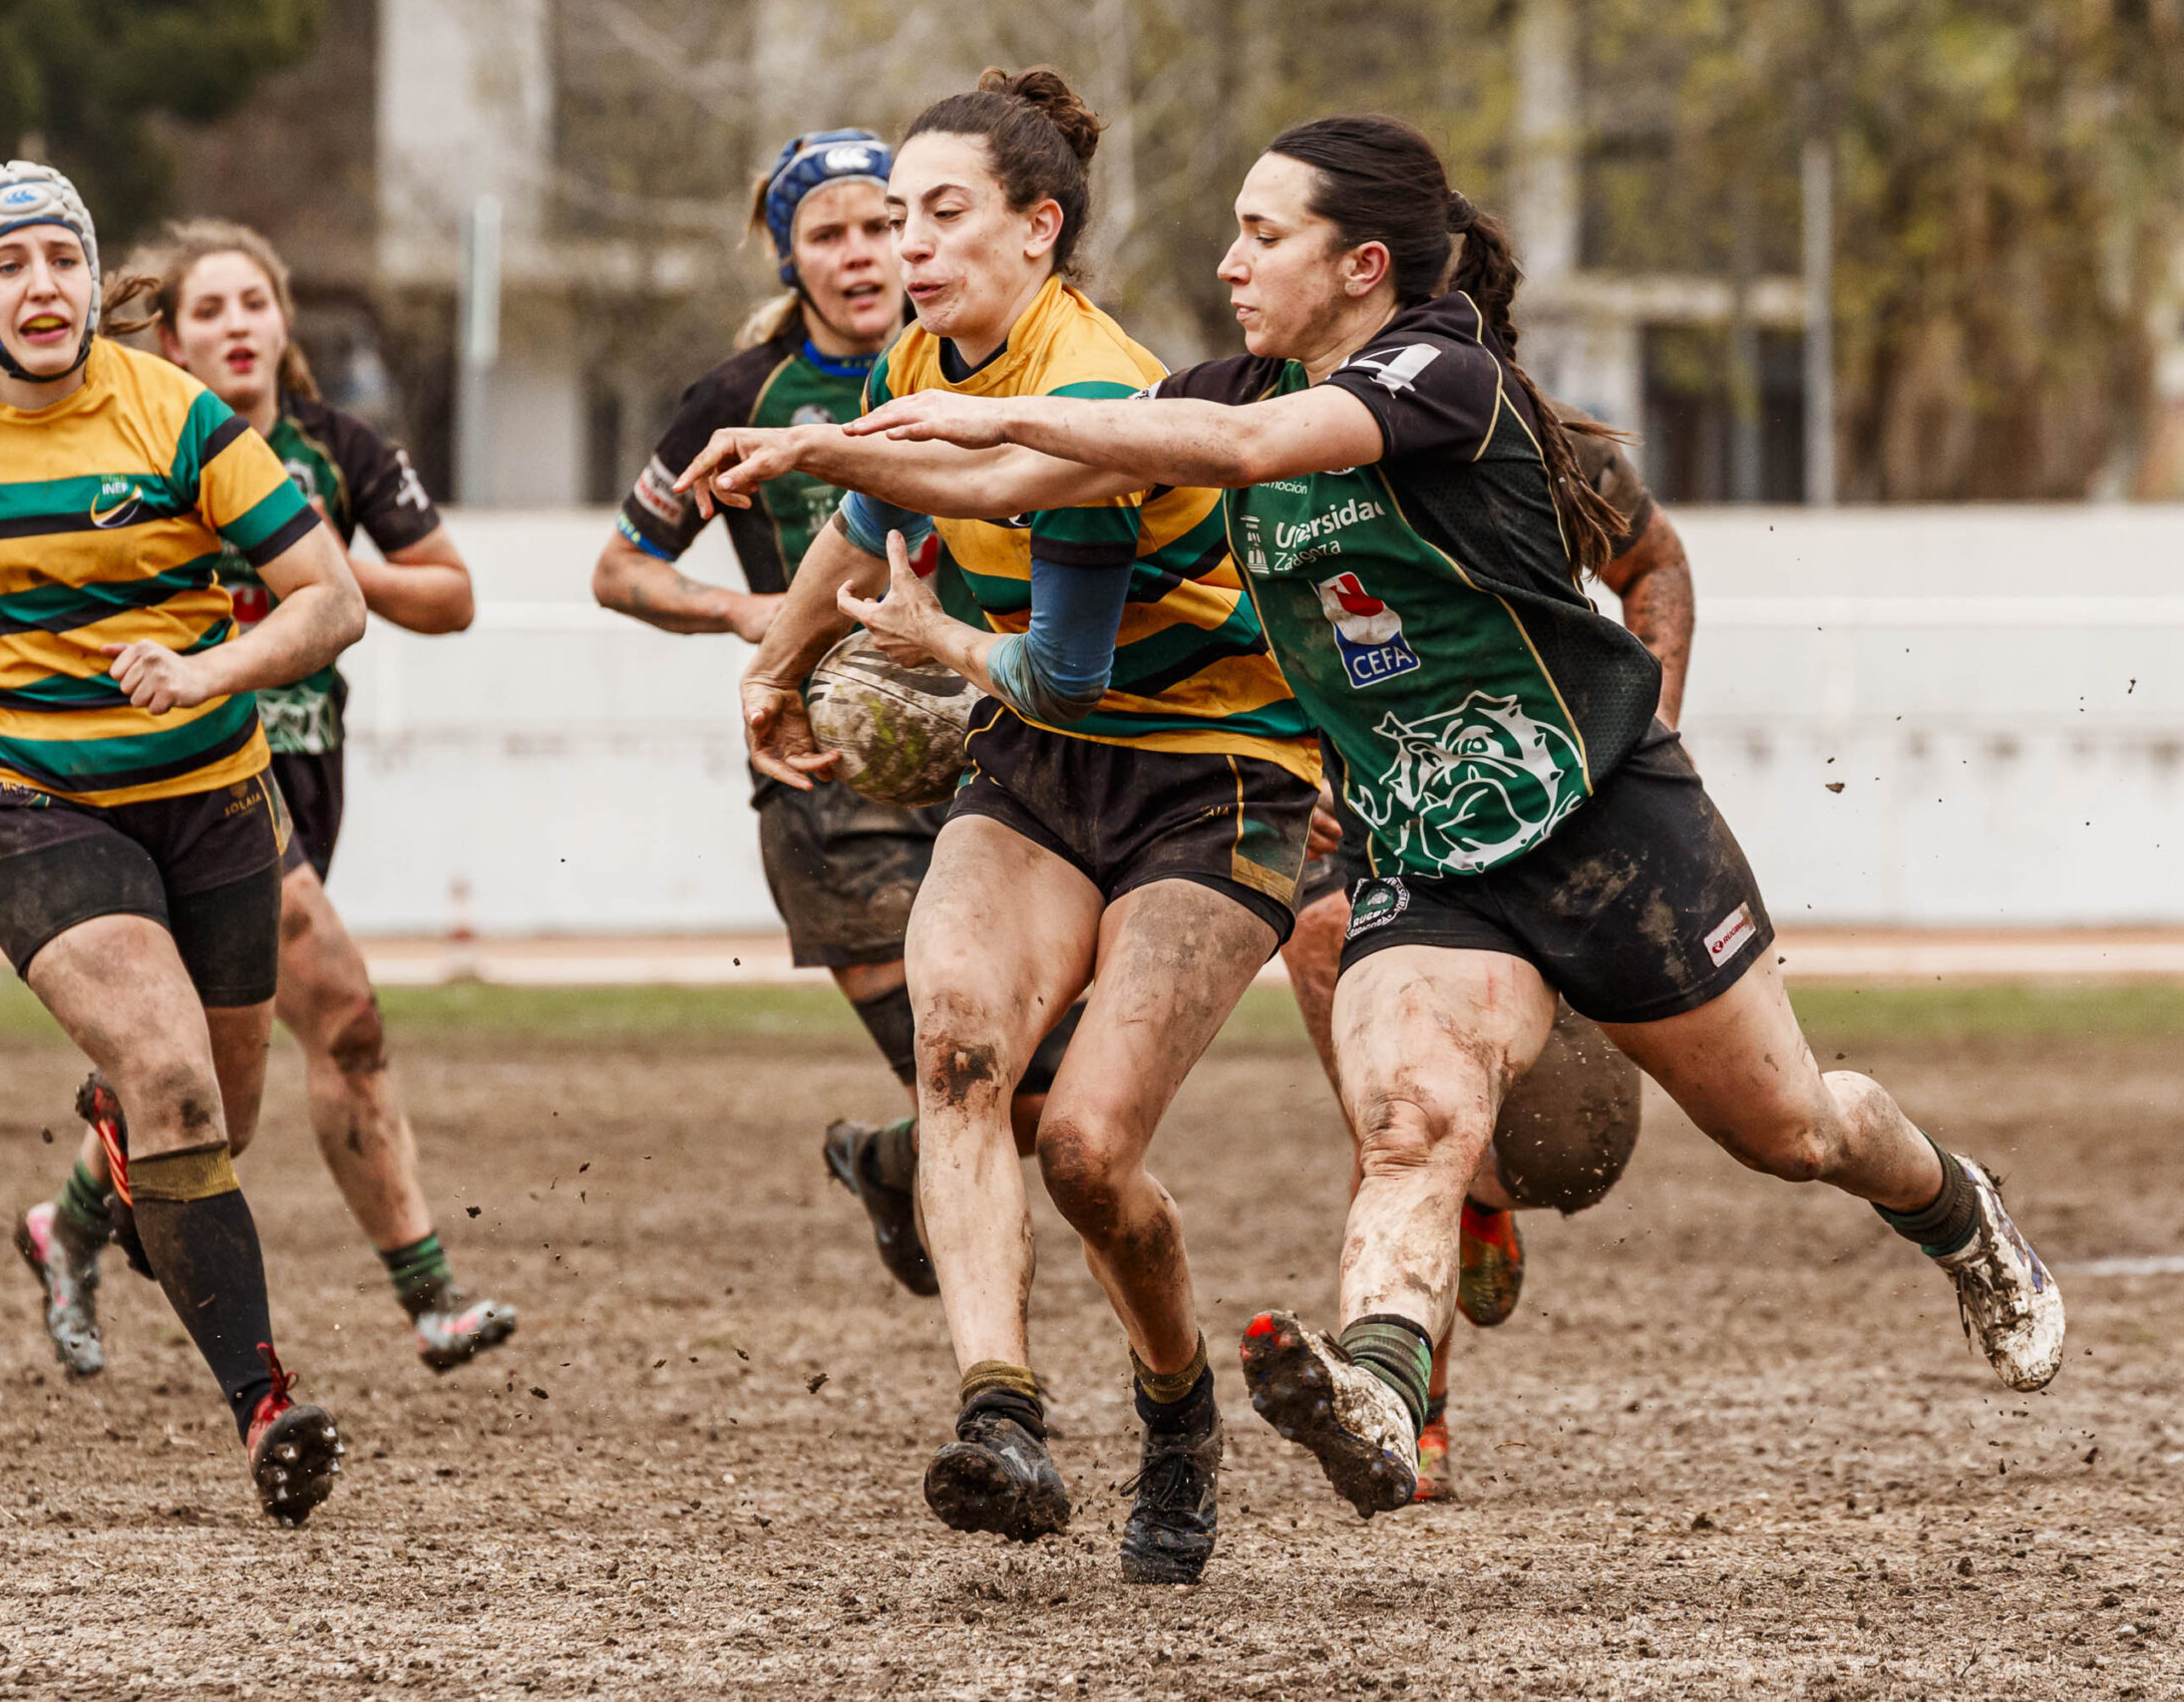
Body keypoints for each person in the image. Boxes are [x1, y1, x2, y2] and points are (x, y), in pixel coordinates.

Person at [822, 112, 2064, 1522]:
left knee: (1791, 1130)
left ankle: (1958, 1212)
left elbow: (1232, 446)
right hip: (1427, 852)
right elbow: (1019, 479)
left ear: (1361, 264)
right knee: (1416, 1116)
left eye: (1262, 234)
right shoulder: (1235, 380)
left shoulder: (1441, 374)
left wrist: (993, 405)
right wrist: (811, 453)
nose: (1229, 262)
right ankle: (1379, 1384)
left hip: (1609, 837)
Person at [678, 69, 1321, 1585]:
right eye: (896, 216)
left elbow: (1064, 663)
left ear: (1040, 230)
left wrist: (877, 550)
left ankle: (1178, 1418)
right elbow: (870, 512)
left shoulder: (1098, 384)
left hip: (1204, 770)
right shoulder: (922, 347)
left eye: (943, 213)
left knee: (1091, 1154)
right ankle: (1003, 1410)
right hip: (1039, 765)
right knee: (958, 1051)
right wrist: (774, 672)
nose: (908, 242)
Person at [0, 162, 364, 1524]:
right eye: (8, 264)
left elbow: (328, 601)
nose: (41, 287)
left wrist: (216, 673)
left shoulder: (180, 417)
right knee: (172, 1074)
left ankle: (105, 1162)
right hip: (22, 795)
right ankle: (267, 1406)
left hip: (212, 792)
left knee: (219, 1113)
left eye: (61, 259)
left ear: (95, 277)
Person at [13, 219, 517, 1382]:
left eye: (255, 303)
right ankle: (430, 1296)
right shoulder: (142, 446)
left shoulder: (340, 449)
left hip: (304, 773)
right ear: (174, 340)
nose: (237, 325)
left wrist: (334, 565)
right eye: (210, 310)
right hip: (185, 779)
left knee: (203, 1093)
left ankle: (70, 1222)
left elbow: (451, 596)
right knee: (345, 1014)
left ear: (282, 322)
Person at [589, 128, 1080, 1297]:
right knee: (985, 1078)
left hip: (993, 753)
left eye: (882, 226)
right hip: (827, 779)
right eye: (830, 234)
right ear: (788, 258)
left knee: (1036, 1095)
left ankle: (886, 1161)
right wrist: (746, 611)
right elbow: (620, 567)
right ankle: (957, 1266)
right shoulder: (739, 394)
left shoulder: (985, 362)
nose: (864, 254)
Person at [1282, 418, 1694, 1502]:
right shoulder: (1262, 447)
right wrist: (1281, 763)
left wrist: (1646, 732)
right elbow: (1207, 624)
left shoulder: (1543, 446)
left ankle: (1482, 1200)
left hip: (1547, 823)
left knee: (1580, 1160)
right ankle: (1415, 1411)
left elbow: (1652, 561)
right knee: (1395, 1115)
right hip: (1369, 836)